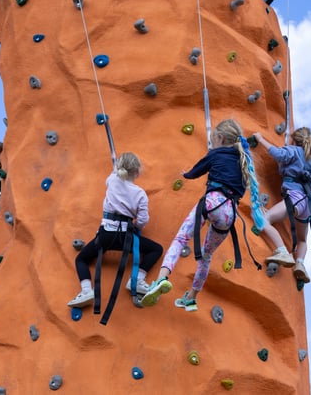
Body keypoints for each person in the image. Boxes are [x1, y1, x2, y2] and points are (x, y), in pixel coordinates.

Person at [141, 118, 264, 312]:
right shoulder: (244, 160)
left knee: (181, 239)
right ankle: (191, 297)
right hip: (229, 215)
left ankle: (161, 279)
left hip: (212, 202)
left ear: (220, 138)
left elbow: (196, 171)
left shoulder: (216, 153)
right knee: (206, 256)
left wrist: (186, 174)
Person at [67, 152, 163, 308]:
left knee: (81, 259)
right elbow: (143, 220)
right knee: (156, 249)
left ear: (119, 169)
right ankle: (137, 279)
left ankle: (86, 291)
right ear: (137, 172)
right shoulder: (140, 194)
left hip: (105, 234)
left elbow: (114, 175)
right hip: (125, 236)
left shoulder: (112, 180)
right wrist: (137, 228)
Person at [253, 127, 311, 283]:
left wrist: (260, 139)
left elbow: (278, 154)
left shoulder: (294, 151)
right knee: (302, 240)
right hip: (306, 204)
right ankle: (300, 264)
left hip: (293, 198)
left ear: (295, 140)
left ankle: (282, 251)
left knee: (263, 220)